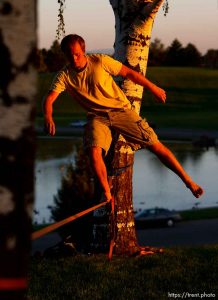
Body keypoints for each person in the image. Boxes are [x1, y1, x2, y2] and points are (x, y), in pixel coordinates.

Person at [43, 34, 204, 202]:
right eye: (69, 54)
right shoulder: (64, 76)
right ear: (65, 54)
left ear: (83, 50)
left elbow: (129, 73)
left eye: (76, 53)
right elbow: (49, 98)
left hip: (121, 111)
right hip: (97, 117)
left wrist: (153, 88)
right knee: (94, 151)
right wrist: (48, 116)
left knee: (155, 145)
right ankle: (107, 192)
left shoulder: (100, 61)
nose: (74, 58)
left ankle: (189, 182)